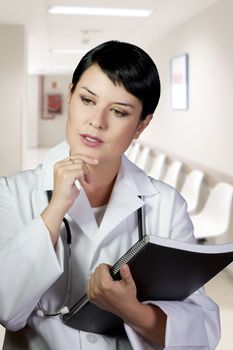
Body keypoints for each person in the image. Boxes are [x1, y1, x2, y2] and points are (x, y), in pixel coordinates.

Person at [0, 40, 220, 350]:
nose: (96, 121)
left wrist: (133, 311)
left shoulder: (167, 206)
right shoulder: (11, 193)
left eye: (118, 111)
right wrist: (55, 210)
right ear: (70, 95)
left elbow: (202, 332)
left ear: (142, 125)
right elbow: (6, 309)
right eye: (88, 100)